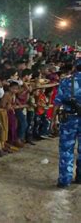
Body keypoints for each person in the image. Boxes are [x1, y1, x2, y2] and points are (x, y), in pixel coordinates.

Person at [52, 59, 81, 188]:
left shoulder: (66, 81)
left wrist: (53, 120)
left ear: (75, 67)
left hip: (69, 119)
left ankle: (64, 180)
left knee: (66, 150)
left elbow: (57, 102)